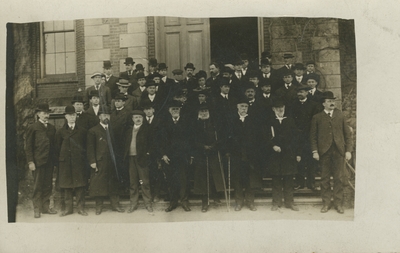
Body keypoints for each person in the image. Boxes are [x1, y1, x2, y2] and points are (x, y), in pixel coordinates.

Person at [310, 91, 353, 214]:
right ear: (323, 104)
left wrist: (348, 150)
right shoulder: (317, 117)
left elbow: (347, 135)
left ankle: (338, 204)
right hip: (324, 152)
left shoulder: (340, 116)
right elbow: (312, 137)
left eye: (333, 101)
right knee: (324, 179)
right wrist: (315, 151)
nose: (332, 103)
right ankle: (326, 203)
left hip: (339, 151)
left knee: (339, 178)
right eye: (329, 101)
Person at [87, 106, 125, 215]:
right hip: (100, 162)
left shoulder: (114, 130)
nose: (106, 117)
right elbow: (90, 148)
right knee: (99, 184)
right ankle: (99, 207)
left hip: (113, 162)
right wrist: (92, 161)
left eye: (107, 115)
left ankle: (115, 205)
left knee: (114, 183)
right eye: (103, 115)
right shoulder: (93, 131)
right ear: (99, 117)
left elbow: (119, 146)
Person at [266, 99, 300, 211]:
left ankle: (289, 202)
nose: (280, 109)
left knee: (289, 179)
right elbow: (265, 138)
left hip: (288, 155)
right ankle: (276, 202)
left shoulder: (290, 120)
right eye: (278, 107)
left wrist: (296, 153)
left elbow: (296, 138)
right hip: (274, 155)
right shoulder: (269, 121)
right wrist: (273, 146)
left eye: (282, 107)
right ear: (273, 109)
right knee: (276, 180)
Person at [228, 99, 263, 211]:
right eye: (242, 106)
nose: (244, 108)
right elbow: (228, 137)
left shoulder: (253, 120)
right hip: (236, 154)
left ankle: (250, 201)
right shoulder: (232, 120)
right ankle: (239, 202)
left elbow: (258, 137)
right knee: (237, 179)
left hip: (250, 155)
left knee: (250, 179)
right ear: (237, 107)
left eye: (246, 106)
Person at [25, 103, 57, 218]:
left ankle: (45, 208)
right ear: (38, 114)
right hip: (38, 162)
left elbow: (53, 146)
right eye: (44, 113)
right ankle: (37, 209)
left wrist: (55, 161)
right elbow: (28, 146)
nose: (46, 115)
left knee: (48, 185)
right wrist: (30, 162)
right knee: (38, 186)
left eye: (48, 113)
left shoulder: (52, 128)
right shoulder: (33, 128)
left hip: (49, 162)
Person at [55, 105, 88, 217]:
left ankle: (81, 208)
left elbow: (85, 147)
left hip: (79, 163)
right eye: (69, 115)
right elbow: (57, 148)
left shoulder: (82, 131)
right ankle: (68, 209)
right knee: (66, 186)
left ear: (76, 116)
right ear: (65, 117)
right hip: (65, 163)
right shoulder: (60, 132)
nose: (72, 117)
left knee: (80, 185)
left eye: (73, 115)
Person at [160, 101, 192, 212]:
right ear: (169, 111)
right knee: (171, 180)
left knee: (183, 180)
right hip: (169, 157)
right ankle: (172, 203)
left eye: (177, 109)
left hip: (182, 156)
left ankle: (184, 202)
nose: (175, 111)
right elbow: (161, 141)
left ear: (180, 111)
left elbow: (189, 140)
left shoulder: (185, 122)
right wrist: (163, 154)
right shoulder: (165, 123)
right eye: (173, 109)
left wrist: (188, 155)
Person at [192, 105, 225, 212]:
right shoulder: (195, 124)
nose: (204, 113)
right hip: (200, 154)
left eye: (206, 111)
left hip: (213, 153)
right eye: (202, 111)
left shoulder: (214, 123)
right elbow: (192, 139)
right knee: (202, 178)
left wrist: (213, 146)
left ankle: (216, 197)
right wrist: (203, 147)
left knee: (214, 175)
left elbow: (220, 137)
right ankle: (204, 202)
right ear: (198, 113)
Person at [290, 84, 320, 190]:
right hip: (297, 137)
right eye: (298, 92)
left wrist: (308, 131)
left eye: (302, 92)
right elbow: (291, 119)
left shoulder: (314, 105)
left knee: (311, 160)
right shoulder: (292, 105)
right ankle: (300, 183)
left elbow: (315, 121)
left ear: (307, 93)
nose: (299, 94)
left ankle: (311, 183)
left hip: (309, 136)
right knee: (299, 160)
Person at [123, 110, 153, 213]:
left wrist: (147, 154)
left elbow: (152, 144)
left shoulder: (147, 129)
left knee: (145, 182)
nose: (138, 119)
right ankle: (133, 204)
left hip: (142, 159)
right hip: (131, 159)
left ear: (143, 118)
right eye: (136, 117)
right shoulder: (128, 130)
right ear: (132, 119)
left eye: (140, 117)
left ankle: (148, 204)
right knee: (133, 183)